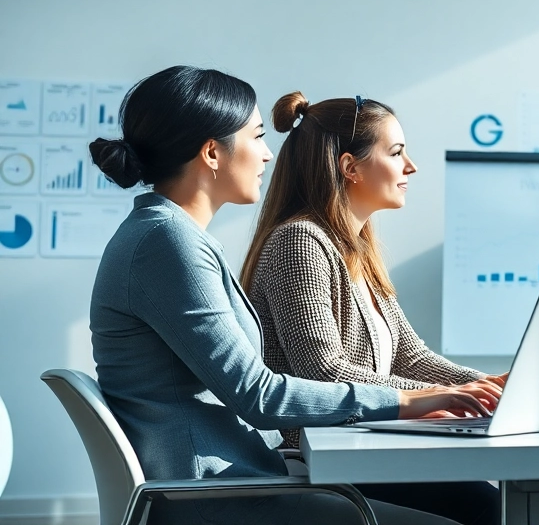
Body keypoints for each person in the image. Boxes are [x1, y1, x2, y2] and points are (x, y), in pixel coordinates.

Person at [88, 66, 494, 525]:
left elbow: (406, 355)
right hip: (213, 495)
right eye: (257, 137)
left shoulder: (172, 237)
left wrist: (469, 389)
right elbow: (258, 396)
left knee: (477, 504)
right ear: (212, 153)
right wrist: (408, 401)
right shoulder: (166, 244)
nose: (266, 155)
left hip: (240, 477)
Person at [240, 92, 504, 525]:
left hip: (363, 446)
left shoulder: (358, 249)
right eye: (397, 152)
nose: (411, 166)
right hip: (322, 461)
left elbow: (409, 355)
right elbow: (321, 371)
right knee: (486, 506)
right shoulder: (300, 242)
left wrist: (485, 386)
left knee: (489, 499)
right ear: (350, 166)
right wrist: (433, 397)